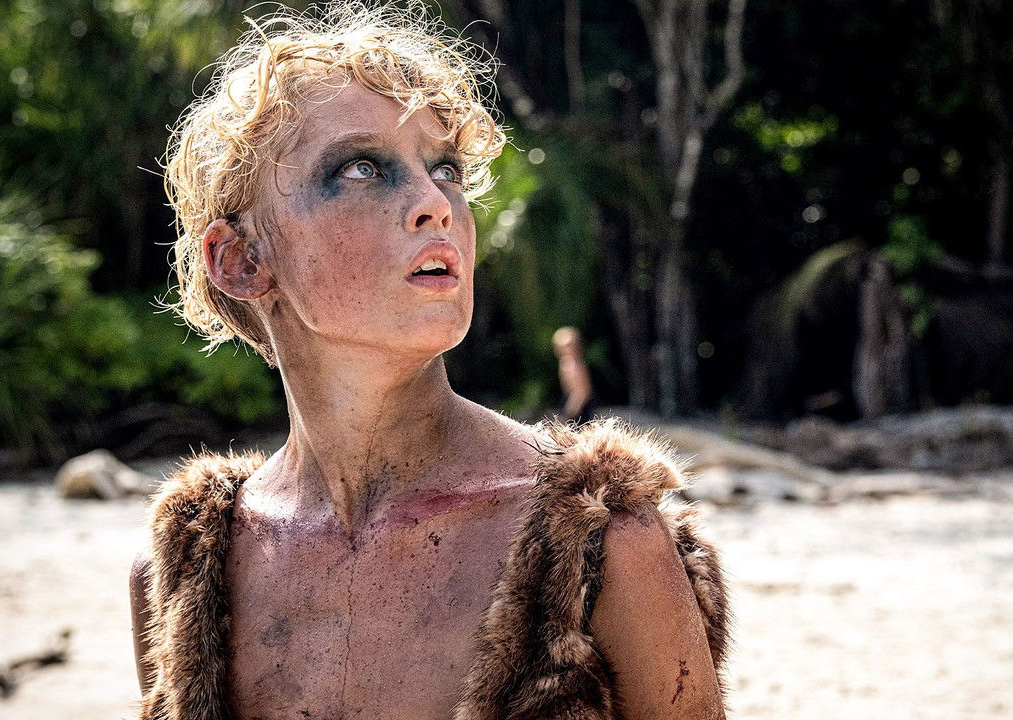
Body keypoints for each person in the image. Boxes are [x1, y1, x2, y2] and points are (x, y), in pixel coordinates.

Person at [128, 4, 730, 719]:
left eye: (444, 168)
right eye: (360, 168)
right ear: (241, 259)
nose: (434, 204)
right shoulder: (187, 576)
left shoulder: (600, 540)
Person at [552, 326, 596, 425]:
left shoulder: (573, 365)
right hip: (571, 400)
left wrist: (570, 411)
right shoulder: (566, 363)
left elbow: (581, 392)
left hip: (578, 405)